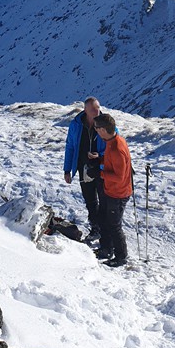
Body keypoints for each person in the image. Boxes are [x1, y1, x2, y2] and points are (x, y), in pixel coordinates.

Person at [63, 97, 105, 244]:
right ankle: (96, 229)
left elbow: (113, 146)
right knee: (90, 200)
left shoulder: (105, 123)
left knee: (103, 201)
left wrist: (99, 156)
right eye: (93, 109)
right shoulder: (76, 125)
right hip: (83, 168)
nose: (97, 111)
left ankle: (105, 232)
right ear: (85, 110)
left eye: (98, 107)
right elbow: (70, 147)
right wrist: (67, 169)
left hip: (101, 168)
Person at [93, 112, 133, 267]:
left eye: (97, 128)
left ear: (103, 129)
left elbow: (119, 177)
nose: (95, 130)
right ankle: (107, 249)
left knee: (114, 225)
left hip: (118, 193)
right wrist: (100, 159)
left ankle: (121, 256)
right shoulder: (112, 141)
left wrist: (100, 173)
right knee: (105, 220)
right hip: (112, 190)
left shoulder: (117, 147)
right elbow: (112, 163)